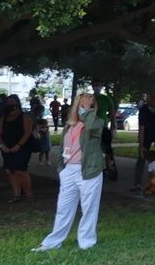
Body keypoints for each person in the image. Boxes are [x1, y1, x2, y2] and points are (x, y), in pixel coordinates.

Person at [33, 93, 105, 251]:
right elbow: (62, 148)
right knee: (63, 209)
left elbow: (91, 127)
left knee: (89, 208)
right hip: (68, 171)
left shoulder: (96, 122)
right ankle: (53, 242)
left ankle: (87, 242)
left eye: (90, 105)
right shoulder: (69, 125)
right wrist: (62, 168)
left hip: (89, 171)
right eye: (82, 104)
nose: (85, 107)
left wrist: (87, 111)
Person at [0, 94, 35, 203]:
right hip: (7, 148)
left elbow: (28, 132)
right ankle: (16, 194)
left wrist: (18, 145)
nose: (10, 104)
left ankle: (29, 194)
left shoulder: (24, 117)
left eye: (12, 102)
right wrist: (3, 145)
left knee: (21, 171)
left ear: (18, 103)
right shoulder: (4, 118)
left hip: (22, 147)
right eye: (8, 102)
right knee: (11, 171)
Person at [132, 92, 155, 193]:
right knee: (141, 157)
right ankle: (137, 184)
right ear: (148, 100)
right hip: (147, 135)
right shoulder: (144, 109)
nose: (153, 102)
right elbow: (141, 128)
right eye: (151, 100)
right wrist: (141, 145)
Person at [92, 80, 118, 180]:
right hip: (91, 128)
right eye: (95, 85)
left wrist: (112, 124)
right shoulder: (89, 98)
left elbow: (112, 112)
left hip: (103, 127)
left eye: (98, 85)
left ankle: (111, 170)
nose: (97, 87)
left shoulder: (105, 99)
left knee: (107, 150)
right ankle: (98, 171)